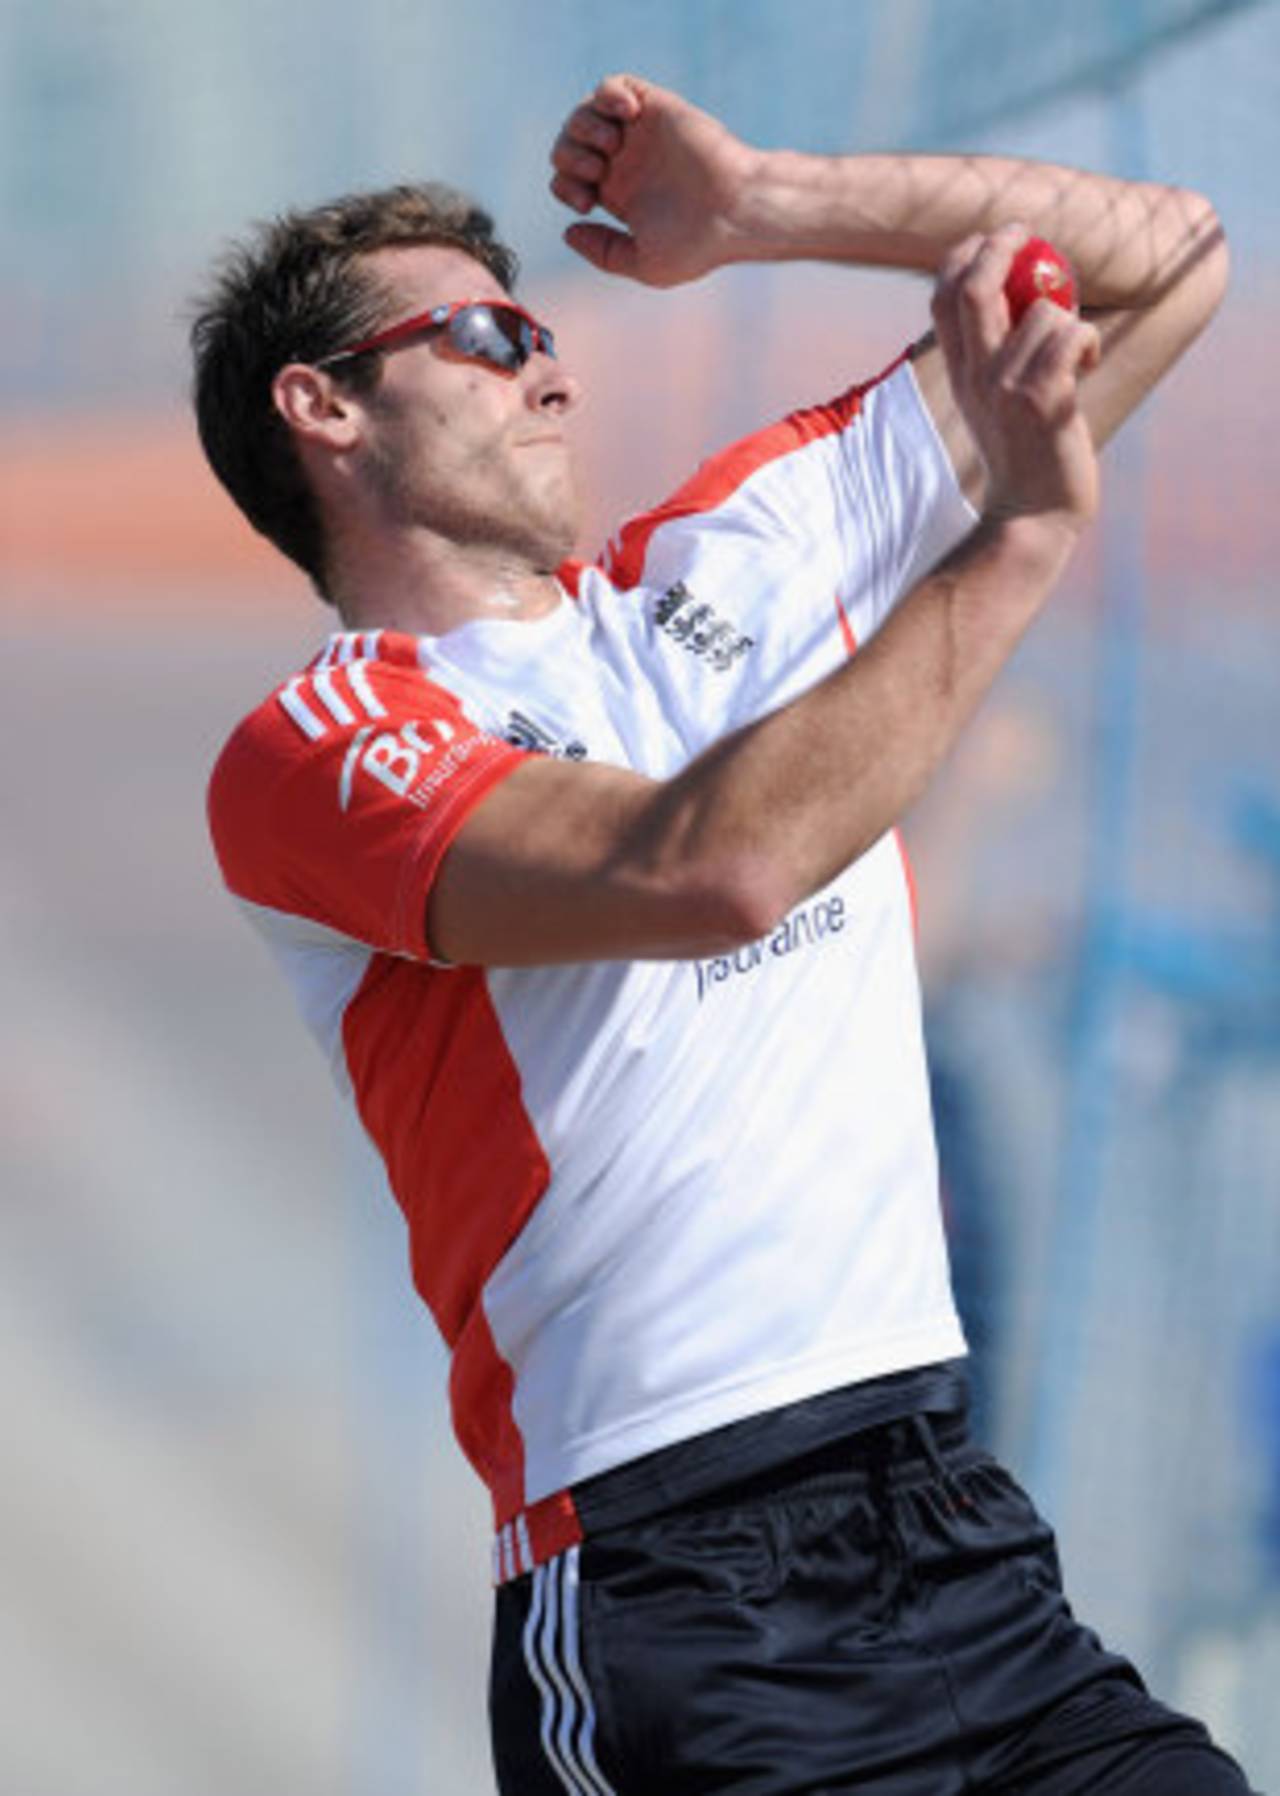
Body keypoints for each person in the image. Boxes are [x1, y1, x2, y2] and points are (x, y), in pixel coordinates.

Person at [196, 72, 1245, 1796]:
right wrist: (1024, 540)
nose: (547, 358)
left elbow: (1174, 257)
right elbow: (718, 870)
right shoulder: (315, 744)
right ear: (323, 407)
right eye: (475, 330)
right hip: (680, 1582)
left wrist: (765, 205)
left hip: (950, 1522)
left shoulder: (745, 542)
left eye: (541, 321)